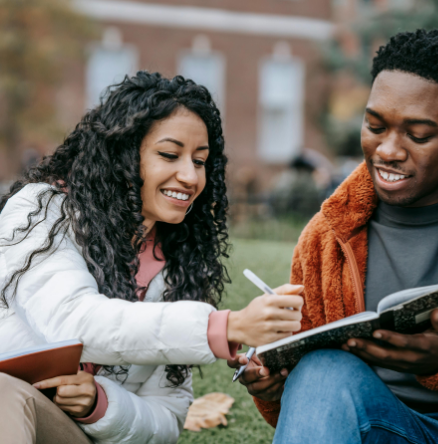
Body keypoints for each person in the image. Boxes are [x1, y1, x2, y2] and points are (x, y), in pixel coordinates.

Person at [230, 30, 438, 443]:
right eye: (375, 125)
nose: (388, 150)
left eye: (418, 134)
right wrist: (272, 385)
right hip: (390, 427)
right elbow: (317, 406)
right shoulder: (326, 235)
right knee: (321, 370)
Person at [0, 72, 303, 444]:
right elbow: (73, 320)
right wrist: (224, 328)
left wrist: (100, 403)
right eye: (169, 155)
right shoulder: (42, 211)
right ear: (122, 153)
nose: (190, 176)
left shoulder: (180, 265)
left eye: (201, 161)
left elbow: (167, 417)